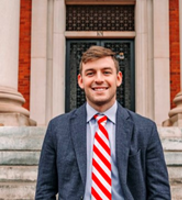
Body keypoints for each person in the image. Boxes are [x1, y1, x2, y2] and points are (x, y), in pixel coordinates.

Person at [35, 46, 171, 200]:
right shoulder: (57, 128)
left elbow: (159, 192)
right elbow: (44, 190)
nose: (99, 79)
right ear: (81, 81)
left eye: (106, 72)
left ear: (118, 78)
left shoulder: (145, 129)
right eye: (90, 73)